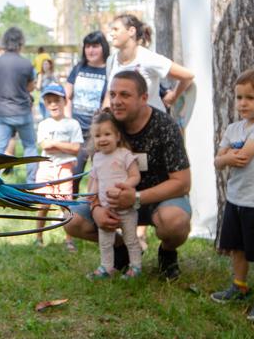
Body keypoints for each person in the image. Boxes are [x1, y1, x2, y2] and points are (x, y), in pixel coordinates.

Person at [64, 70, 191, 279]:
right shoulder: (106, 123)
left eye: (125, 95)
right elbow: (96, 174)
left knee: (174, 222)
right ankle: (122, 249)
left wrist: (136, 197)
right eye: (113, 94)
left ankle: (167, 254)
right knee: (71, 219)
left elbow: (183, 183)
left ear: (144, 98)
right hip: (111, 202)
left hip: (157, 202)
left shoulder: (165, 126)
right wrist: (96, 208)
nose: (116, 101)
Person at [209, 69, 254, 324]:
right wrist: (225, 158)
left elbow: (242, 157)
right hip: (236, 197)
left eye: (250, 98)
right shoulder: (233, 128)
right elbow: (218, 161)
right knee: (236, 247)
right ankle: (239, 285)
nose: (242, 103)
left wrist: (226, 157)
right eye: (239, 97)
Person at [85, 111, 142, 279]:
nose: (102, 139)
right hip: (106, 209)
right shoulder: (97, 158)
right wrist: (91, 196)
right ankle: (106, 267)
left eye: (107, 134)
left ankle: (136, 267)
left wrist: (125, 187)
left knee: (130, 239)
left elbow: (135, 176)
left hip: (126, 208)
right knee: (105, 241)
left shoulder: (124, 154)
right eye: (97, 136)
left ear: (117, 136)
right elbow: (94, 180)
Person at [105, 14, 194, 114]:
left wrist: (173, 97)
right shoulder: (111, 61)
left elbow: (187, 76)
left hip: (152, 121)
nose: (111, 34)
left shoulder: (149, 58)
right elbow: (108, 95)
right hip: (124, 122)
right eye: (111, 30)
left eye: (116, 29)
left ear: (131, 31)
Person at [0, 27, 39, 182]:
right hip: (22, 112)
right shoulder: (26, 64)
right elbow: (30, 87)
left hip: (1, 112)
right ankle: (31, 182)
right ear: (21, 42)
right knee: (30, 147)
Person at [32, 83, 83, 249]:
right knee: (43, 203)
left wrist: (54, 143)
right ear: (45, 104)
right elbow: (45, 146)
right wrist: (64, 146)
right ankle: (38, 237)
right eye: (49, 101)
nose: (53, 104)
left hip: (65, 167)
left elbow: (76, 148)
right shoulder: (44, 124)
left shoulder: (73, 124)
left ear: (65, 101)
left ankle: (69, 239)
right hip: (46, 167)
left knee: (65, 203)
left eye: (57, 100)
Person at [65, 31, 110, 193]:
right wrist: (69, 120)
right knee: (74, 173)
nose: (91, 50)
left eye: (95, 46)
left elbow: (108, 100)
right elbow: (67, 95)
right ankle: (70, 206)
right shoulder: (79, 68)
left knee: (100, 173)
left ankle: (96, 203)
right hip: (76, 131)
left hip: (97, 131)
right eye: (88, 46)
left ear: (103, 47)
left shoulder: (109, 70)